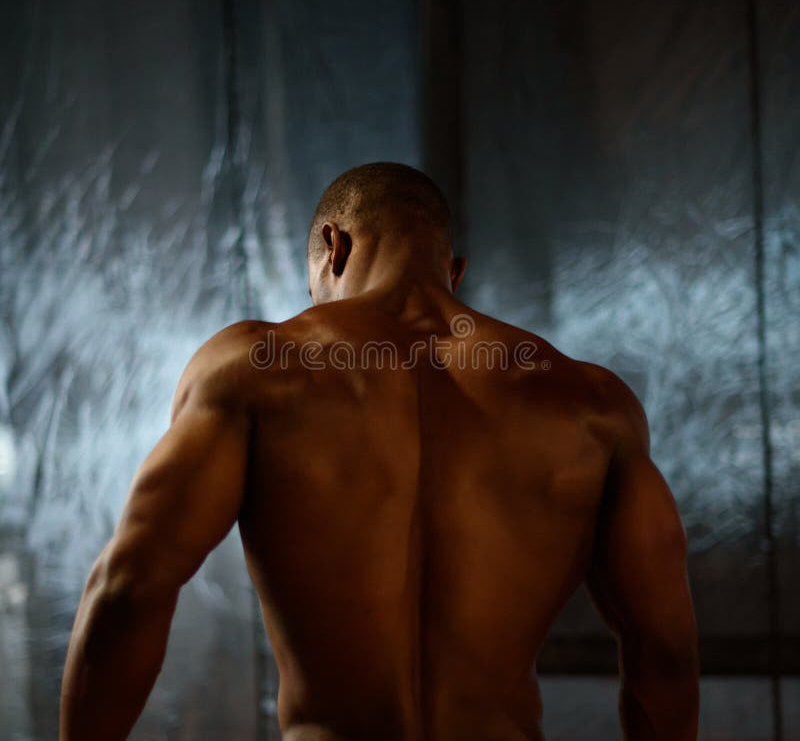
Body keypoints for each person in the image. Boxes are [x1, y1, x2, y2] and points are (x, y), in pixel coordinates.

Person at [60, 162, 699, 740]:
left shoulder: (256, 368)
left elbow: (130, 587)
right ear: (455, 271)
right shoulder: (590, 402)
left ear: (332, 249)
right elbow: (664, 649)